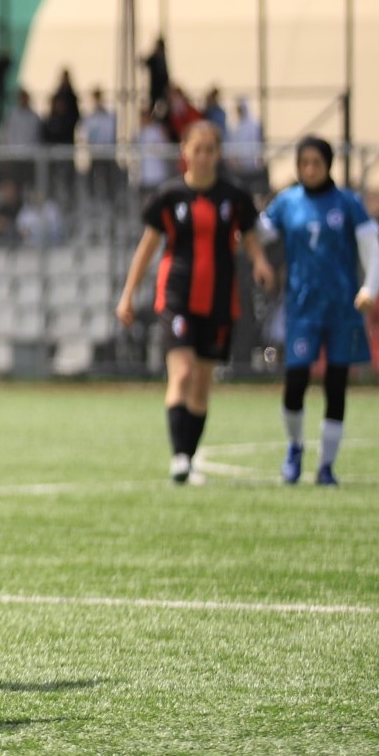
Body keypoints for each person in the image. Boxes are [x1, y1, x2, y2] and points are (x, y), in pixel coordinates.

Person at [117, 121, 273, 484]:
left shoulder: (233, 196)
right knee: (182, 373)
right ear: (184, 151)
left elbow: (249, 237)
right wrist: (128, 295)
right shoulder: (168, 196)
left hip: (219, 299)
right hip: (176, 297)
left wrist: (261, 261)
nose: (203, 157)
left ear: (218, 154)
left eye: (210, 150)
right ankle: (179, 458)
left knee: (202, 383)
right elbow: (147, 249)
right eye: (196, 149)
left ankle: (187, 455)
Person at [259, 137, 379, 486]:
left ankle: (327, 464)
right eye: (303, 163)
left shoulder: (347, 203)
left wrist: (369, 288)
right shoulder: (287, 203)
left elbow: (372, 248)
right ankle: (295, 446)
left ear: (328, 165)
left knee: (336, 384)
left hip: (342, 308)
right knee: (295, 382)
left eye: (316, 162)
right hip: (301, 307)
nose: (309, 169)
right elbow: (258, 233)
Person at [225, 95, 267, 194]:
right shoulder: (233, 126)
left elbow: (258, 143)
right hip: (238, 168)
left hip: (252, 167)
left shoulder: (254, 125)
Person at [83, 87, 120, 197]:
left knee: (109, 179)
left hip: (107, 154)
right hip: (95, 154)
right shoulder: (90, 117)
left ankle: (111, 199)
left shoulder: (109, 116)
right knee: (93, 180)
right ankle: (93, 199)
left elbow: (111, 134)